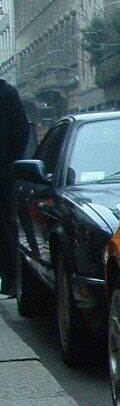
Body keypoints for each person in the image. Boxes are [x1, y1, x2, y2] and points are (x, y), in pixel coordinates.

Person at [0, 77, 30, 296]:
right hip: (3, 172)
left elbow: (20, 131)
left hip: (2, 175)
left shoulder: (6, 93)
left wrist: (9, 163)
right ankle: (10, 281)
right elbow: (21, 130)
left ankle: (11, 280)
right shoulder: (6, 92)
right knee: (5, 227)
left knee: (5, 227)